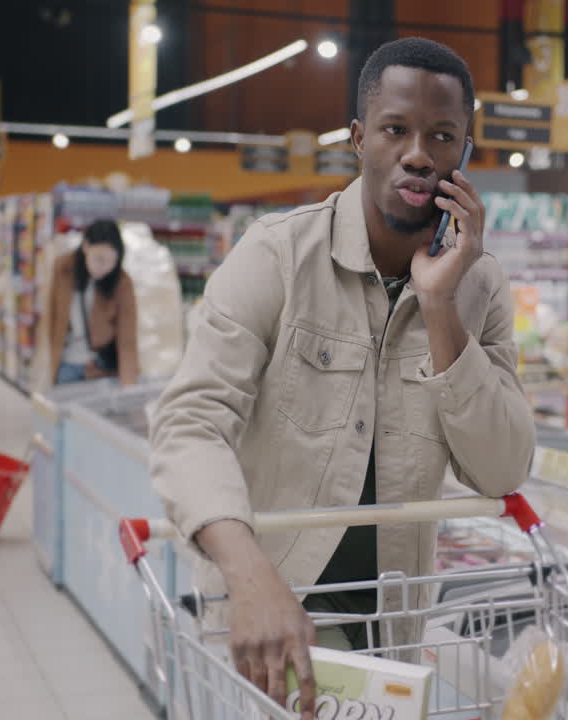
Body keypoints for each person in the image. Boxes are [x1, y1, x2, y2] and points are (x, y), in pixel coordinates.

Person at [149, 37, 534, 718]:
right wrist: (249, 577)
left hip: (389, 629)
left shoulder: (481, 289)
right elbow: (190, 422)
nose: (419, 151)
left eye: (442, 136)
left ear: (464, 154)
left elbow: (502, 471)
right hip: (268, 611)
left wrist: (441, 308)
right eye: (395, 129)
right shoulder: (276, 256)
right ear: (359, 139)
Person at [47, 219, 139, 385]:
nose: (105, 267)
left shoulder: (122, 282)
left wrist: (129, 385)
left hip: (100, 369)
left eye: (112, 261)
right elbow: (51, 317)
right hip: (65, 364)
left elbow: (127, 339)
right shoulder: (62, 269)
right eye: (99, 259)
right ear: (86, 246)